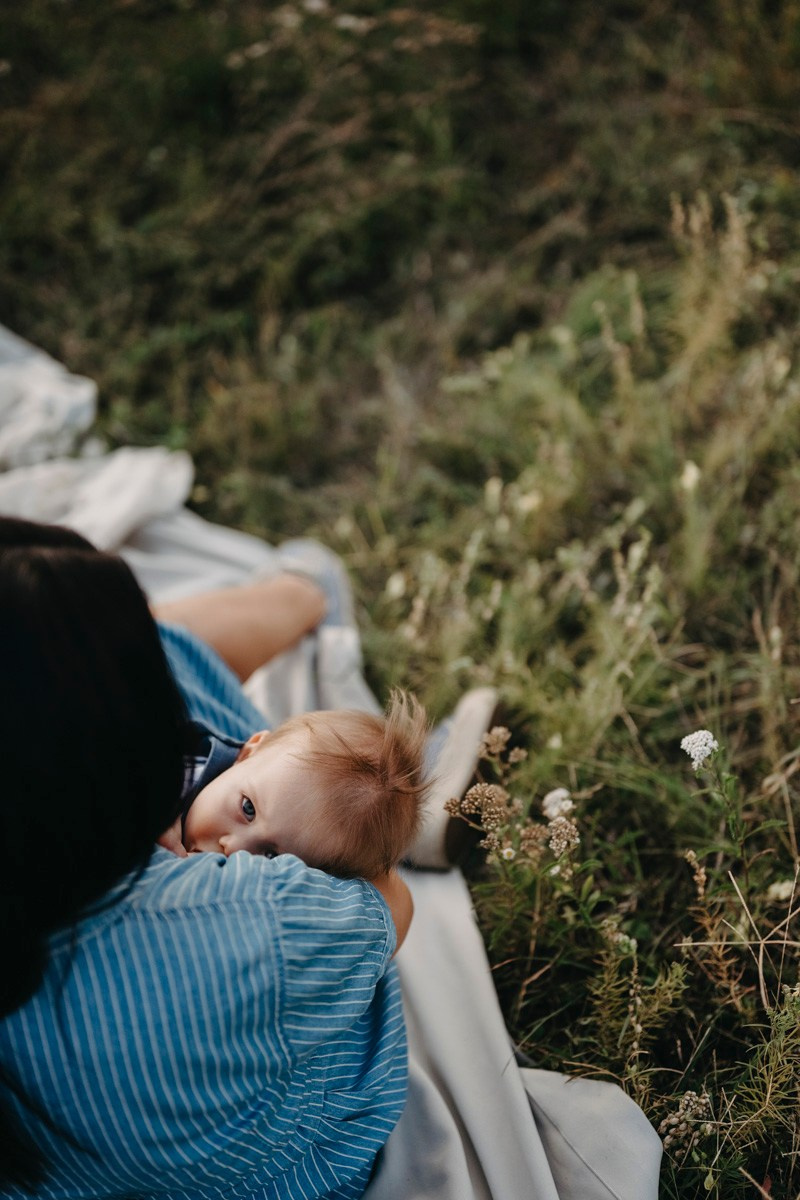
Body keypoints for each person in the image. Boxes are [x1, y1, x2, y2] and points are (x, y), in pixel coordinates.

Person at [0, 516, 414, 1199]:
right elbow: (387, 905)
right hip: (305, 1133)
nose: (231, 847)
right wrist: (357, 842)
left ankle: (297, 596)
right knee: (152, 646)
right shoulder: (256, 917)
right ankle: (303, 591)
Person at [173, 693, 430, 879]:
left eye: (271, 856)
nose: (234, 849)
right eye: (248, 808)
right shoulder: (168, 768)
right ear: (249, 751)